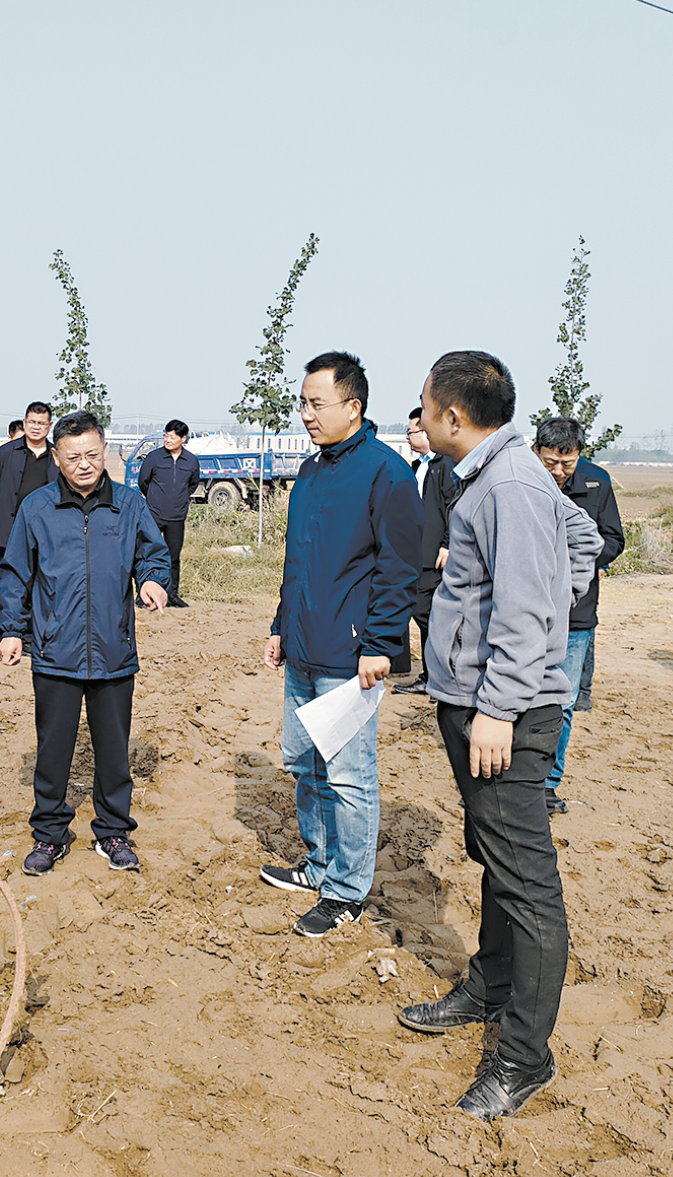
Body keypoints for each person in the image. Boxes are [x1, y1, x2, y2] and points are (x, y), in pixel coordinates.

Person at [399, 350, 601, 1121]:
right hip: (475, 700)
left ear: (454, 416)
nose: (418, 418)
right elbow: (575, 544)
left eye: (423, 405)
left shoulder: (510, 485)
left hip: (503, 712)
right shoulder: (496, 479)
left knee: (527, 882)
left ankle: (525, 1057)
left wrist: (500, 706)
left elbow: (524, 611)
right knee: (495, 859)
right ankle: (490, 985)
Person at [259, 352, 421, 938]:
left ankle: (347, 892)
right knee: (304, 763)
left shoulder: (386, 472)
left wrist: (380, 642)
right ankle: (319, 865)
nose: (305, 413)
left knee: (349, 776)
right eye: (301, 402)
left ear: (353, 407)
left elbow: (400, 567)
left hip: (352, 658)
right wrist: (280, 626)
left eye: (315, 403)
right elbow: (296, 562)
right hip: (303, 647)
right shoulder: (310, 472)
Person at [0, 410, 172, 875]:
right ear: (56, 458)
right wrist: (11, 629)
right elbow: (14, 573)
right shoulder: (37, 508)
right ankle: (50, 835)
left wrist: (153, 580)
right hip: (55, 652)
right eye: (73, 457)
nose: (85, 464)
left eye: (93, 454)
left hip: (113, 652)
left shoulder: (129, 505)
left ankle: (113, 832)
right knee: (53, 751)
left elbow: (153, 553)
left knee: (114, 752)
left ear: (106, 451)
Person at [532, 417, 625, 813]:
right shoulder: (522, 479)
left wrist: (580, 563)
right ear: (536, 450)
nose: (557, 472)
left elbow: (614, 538)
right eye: (550, 461)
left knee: (563, 700)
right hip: (527, 607)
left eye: (566, 465)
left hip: (576, 611)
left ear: (579, 456)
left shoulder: (597, 482)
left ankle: (549, 783)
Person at [0, 403, 55, 659]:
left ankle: (27, 640)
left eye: (41, 423)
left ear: (49, 427)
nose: (36, 427)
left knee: (38, 586)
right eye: (32, 422)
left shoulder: (56, 456)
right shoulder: (7, 452)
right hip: (11, 531)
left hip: (44, 533)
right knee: (5, 585)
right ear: (25, 423)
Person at [399, 406, 452, 694]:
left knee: (427, 614)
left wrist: (447, 543)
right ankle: (433, 678)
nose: (407, 437)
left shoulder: (445, 465)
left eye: (411, 431)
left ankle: (436, 679)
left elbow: (452, 507)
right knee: (425, 615)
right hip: (416, 554)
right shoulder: (419, 466)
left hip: (435, 556)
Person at [136, 420, 201, 606]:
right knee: (148, 555)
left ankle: (172, 595)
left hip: (177, 517)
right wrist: (156, 499)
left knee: (173, 557)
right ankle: (144, 595)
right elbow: (143, 482)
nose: (168, 439)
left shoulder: (191, 461)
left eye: (172, 436)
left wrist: (179, 500)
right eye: (166, 435)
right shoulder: (154, 458)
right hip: (154, 515)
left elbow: (192, 484)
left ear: (183, 439)